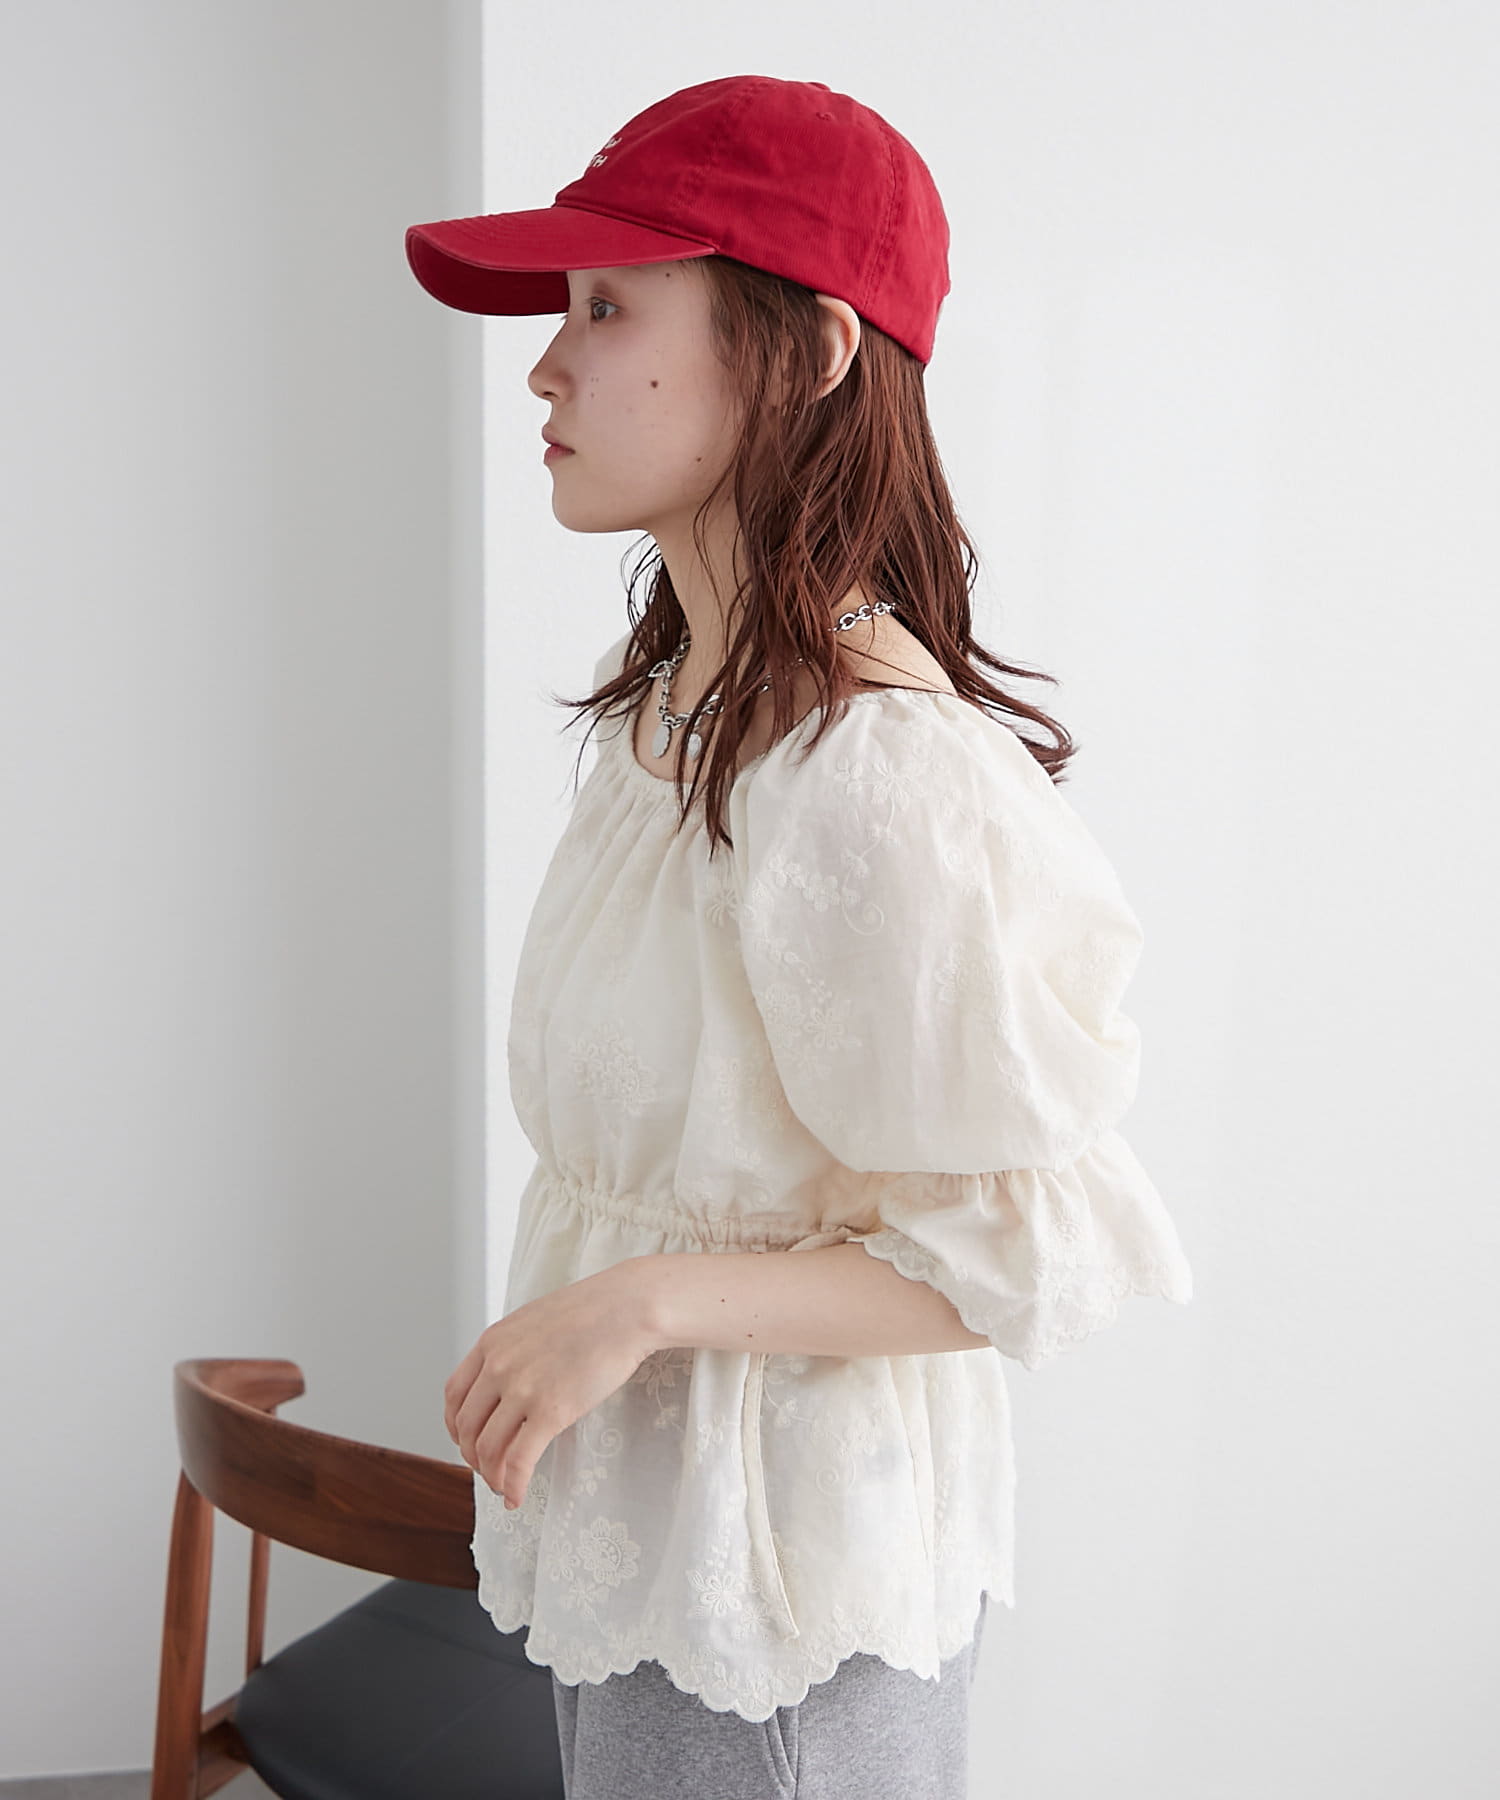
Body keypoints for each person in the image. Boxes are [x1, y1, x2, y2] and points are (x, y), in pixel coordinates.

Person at [404, 73, 1194, 1800]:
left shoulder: (875, 775)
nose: (545, 368)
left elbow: (1025, 1250)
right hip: (647, 1557)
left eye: (607, 309)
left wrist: (637, 1304)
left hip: (776, 1607)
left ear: (813, 350)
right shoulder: (675, 718)